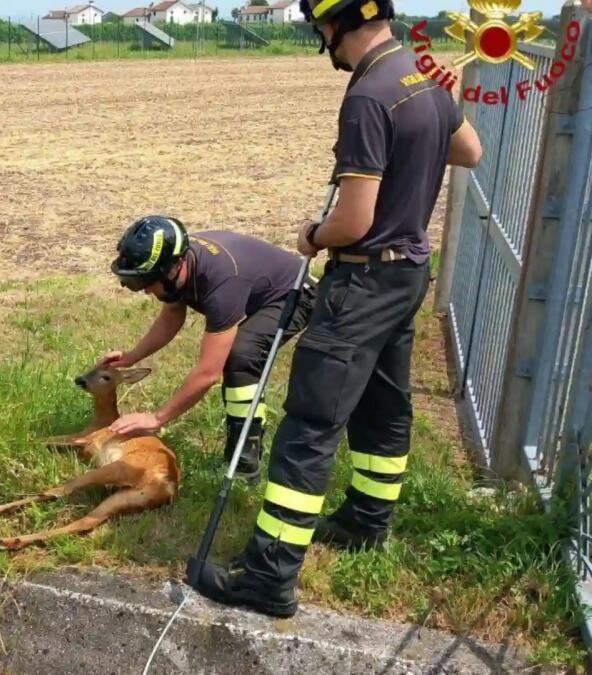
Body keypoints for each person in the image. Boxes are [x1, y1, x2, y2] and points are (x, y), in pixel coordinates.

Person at [188, 0, 483, 619]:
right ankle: (365, 521)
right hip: (408, 274)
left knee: (310, 422)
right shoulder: (422, 73)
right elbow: (469, 151)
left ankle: (268, 575)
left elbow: (354, 220)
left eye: (319, 27)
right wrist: (424, 134)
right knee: (382, 404)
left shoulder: (369, 94)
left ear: (334, 24)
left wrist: (313, 236)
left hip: (363, 281)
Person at [104, 217, 317, 481]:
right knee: (238, 352)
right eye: (135, 284)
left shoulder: (221, 283)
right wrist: (132, 356)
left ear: (174, 268)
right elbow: (172, 315)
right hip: (256, 288)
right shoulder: (179, 265)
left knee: (242, 354)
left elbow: (208, 373)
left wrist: (157, 418)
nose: (145, 291)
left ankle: (243, 462)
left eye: (146, 282)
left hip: (296, 294)